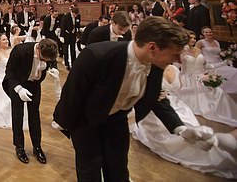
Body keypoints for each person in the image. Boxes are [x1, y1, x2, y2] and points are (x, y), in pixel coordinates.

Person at [53, 17, 216, 181]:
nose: (178, 60)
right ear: (152, 47)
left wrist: (181, 128)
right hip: (87, 122)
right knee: (90, 172)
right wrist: (66, 124)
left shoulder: (156, 63)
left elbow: (156, 98)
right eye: (174, 55)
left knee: (119, 171)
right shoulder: (97, 55)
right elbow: (73, 94)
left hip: (118, 120)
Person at [3, 38, 59, 164]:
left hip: (34, 84)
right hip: (18, 83)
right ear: (38, 48)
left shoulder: (48, 52)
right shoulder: (20, 51)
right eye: (43, 58)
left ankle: (37, 147)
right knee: (18, 116)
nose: (45, 61)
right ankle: (20, 147)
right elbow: (9, 73)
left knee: (35, 116)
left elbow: (52, 61)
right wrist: (18, 89)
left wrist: (54, 69)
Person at [175, 40, 237, 126]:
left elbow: (205, 66)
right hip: (187, 79)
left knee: (219, 92)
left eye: (193, 37)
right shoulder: (180, 51)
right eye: (190, 38)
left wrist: (221, 64)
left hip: (202, 77)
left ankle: (223, 112)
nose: (193, 40)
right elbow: (176, 67)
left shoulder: (199, 51)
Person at [196, 26, 237, 93]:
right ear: (203, 33)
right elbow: (197, 54)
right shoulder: (200, 42)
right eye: (206, 32)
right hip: (209, 65)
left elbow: (219, 54)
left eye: (210, 32)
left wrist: (227, 56)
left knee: (235, 71)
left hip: (220, 62)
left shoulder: (216, 42)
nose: (209, 33)